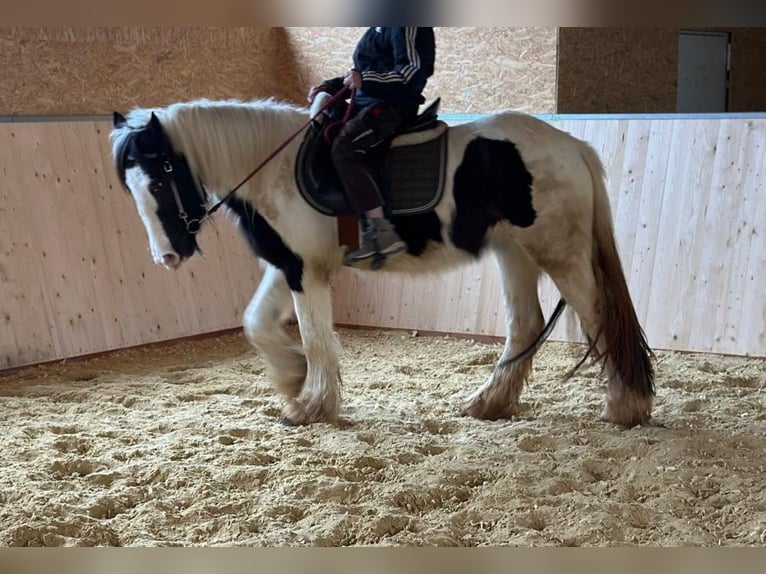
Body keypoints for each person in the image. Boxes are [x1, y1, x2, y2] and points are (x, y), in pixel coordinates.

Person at [307, 27, 436, 266]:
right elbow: (362, 74)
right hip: (369, 103)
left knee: (344, 149)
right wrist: (329, 87)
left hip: (392, 107)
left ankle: (382, 232)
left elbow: (412, 74)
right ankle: (341, 232)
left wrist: (364, 80)